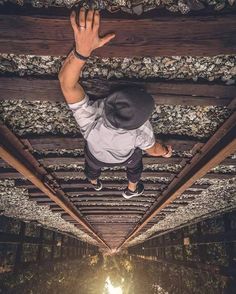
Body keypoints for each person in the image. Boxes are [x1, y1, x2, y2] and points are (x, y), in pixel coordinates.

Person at [59, 8, 172, 199]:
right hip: (123, 157)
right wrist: (166, 152)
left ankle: (95, 184)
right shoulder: (139, 133)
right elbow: (153, 149)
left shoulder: (93, 123)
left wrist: (82, 51)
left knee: (91, 168)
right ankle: (132, 189)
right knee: (135, 165)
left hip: (97, 157)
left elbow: (67, 85)